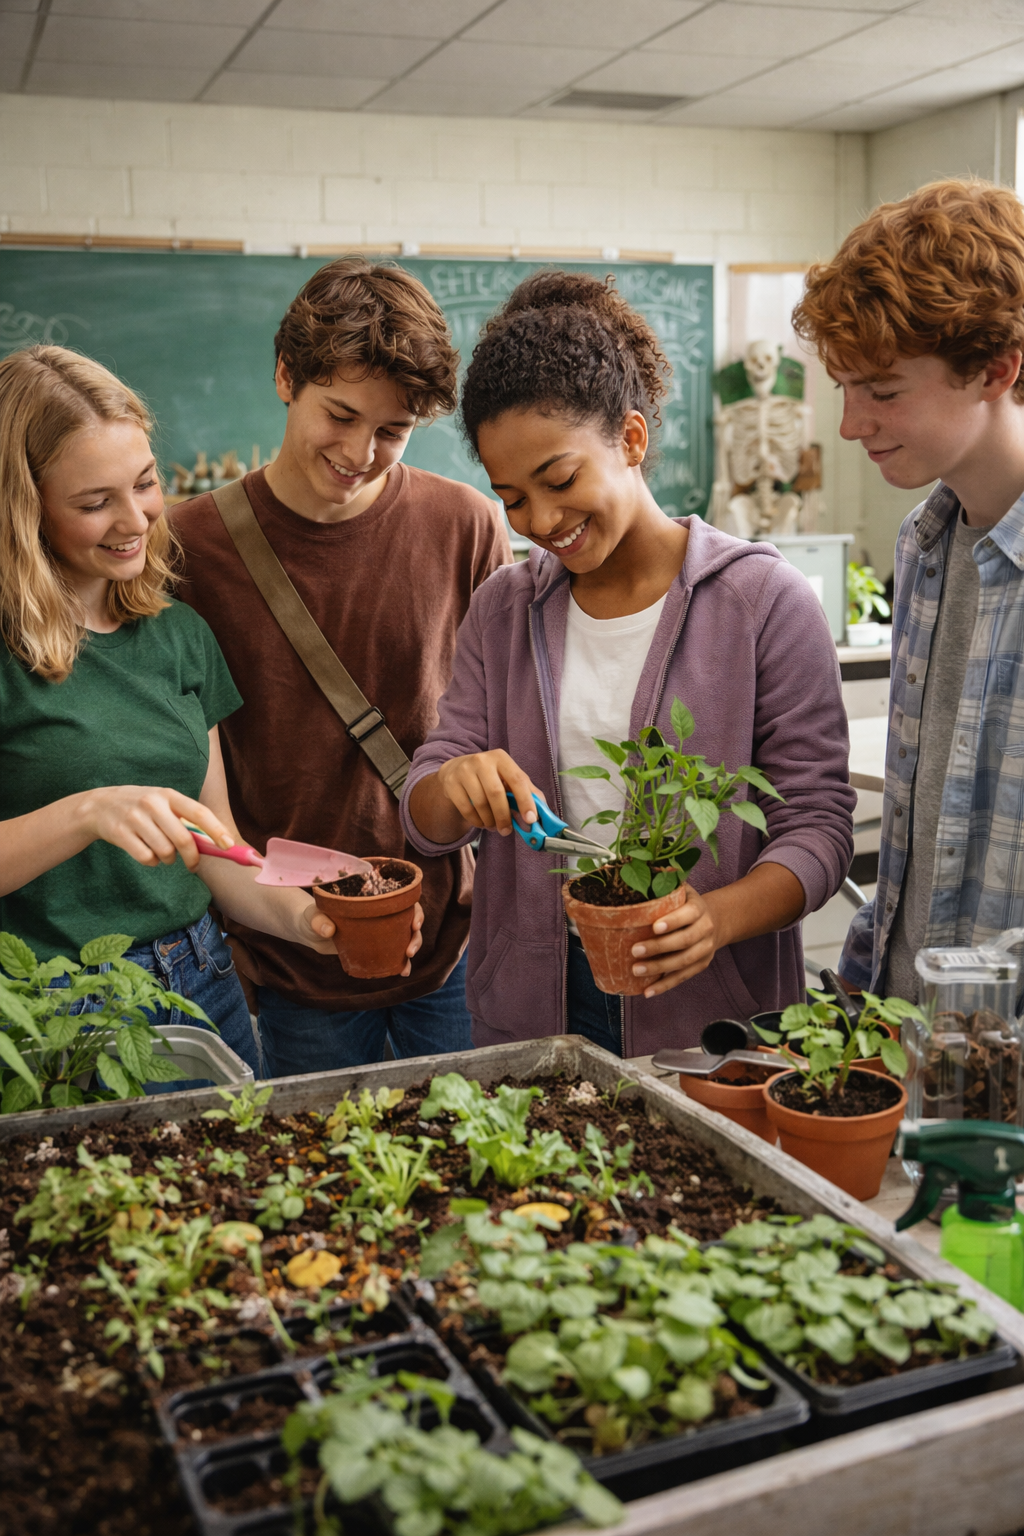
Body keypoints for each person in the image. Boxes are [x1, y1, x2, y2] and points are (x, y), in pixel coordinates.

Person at [401, 271, 855, 1058]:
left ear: (632, 440)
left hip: (708, 1011)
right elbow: (426, 812)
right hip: (536, 1005)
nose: (543, 520)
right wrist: (453, 784)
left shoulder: (762, 602)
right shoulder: (505, 609)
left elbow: (816, 825)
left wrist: (715, 920)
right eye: (513, 498)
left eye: (560, 479)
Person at [173, 258, 511, 1075]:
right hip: (286, 959)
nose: (361, 452)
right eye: (341, 414)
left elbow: (505, 723)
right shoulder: (188, 547)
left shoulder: (465, 525)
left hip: (451, 944)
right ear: (286, 376)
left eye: (393, 431)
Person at [0, 346, 340, 1089]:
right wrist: (87, 812)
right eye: (94, 503)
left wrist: (309, 923)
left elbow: (215, 849)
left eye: (145, 483)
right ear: (25, 509)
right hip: (58, 1012)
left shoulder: (179, 635)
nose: (135, 520)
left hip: (200, 979)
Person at [793, 179, 1024, 1001]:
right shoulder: (924, 546)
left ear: (995, 369)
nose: (851, 425)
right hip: (910, 1033)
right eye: (845, 389)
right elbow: (923, 840)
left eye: (883, 392)